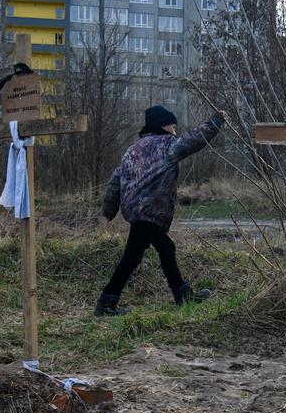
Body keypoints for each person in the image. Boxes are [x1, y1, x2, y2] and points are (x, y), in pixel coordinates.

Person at [95, 104, 226, 316]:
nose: (175, 130)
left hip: (136, 211)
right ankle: (106, 302)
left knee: (166, 248)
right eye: (173, 126)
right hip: (150, 211)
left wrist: (109, 211)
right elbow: (194, 140)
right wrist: (216, 121)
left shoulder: (132, 150)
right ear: (164, 126)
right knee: (132, 257)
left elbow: (116, 180)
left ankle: (182, 294)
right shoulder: (167, 146)